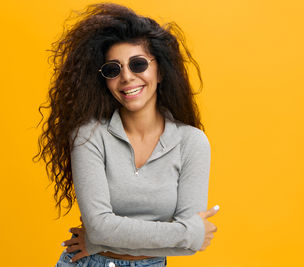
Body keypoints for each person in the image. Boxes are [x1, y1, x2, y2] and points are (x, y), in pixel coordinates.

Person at [34, 3, 219, 267]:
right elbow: (99, 227)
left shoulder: (191, 142)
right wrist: (188, 233)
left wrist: (98, 240)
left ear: (161, 71)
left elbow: (190, 249)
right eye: (113, 69)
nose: (127, 77)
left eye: (138, 64)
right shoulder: (88, 137)